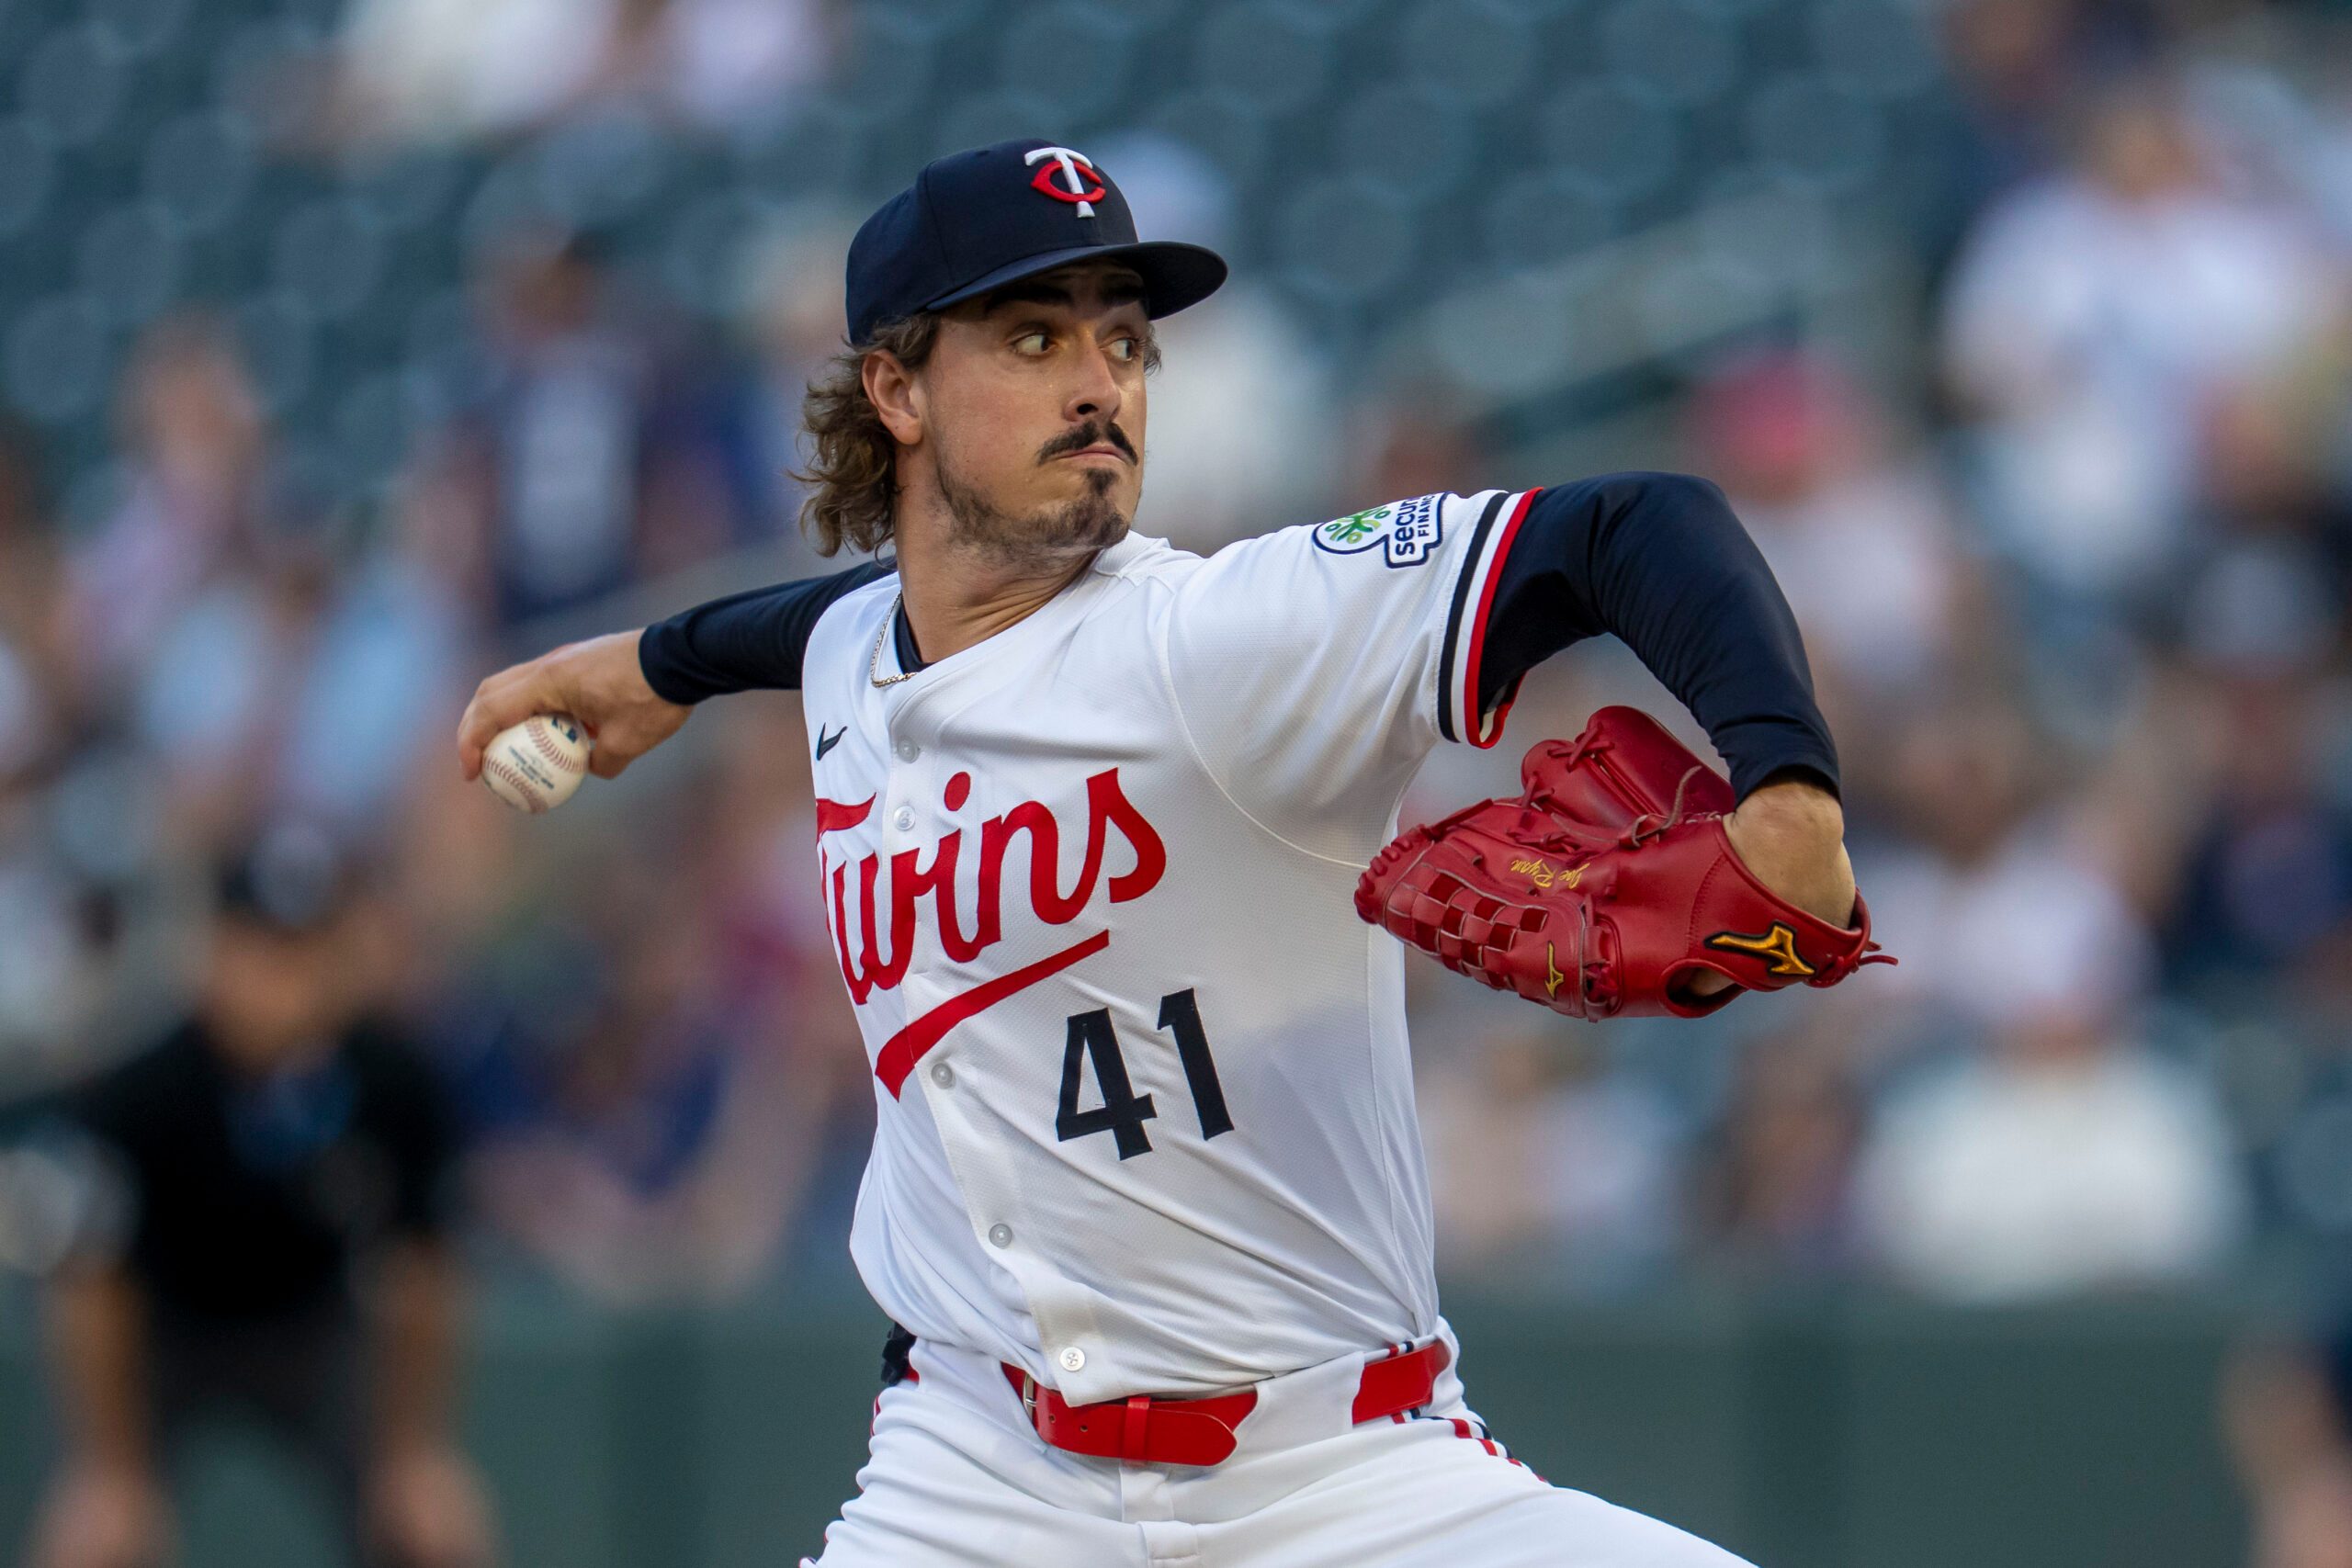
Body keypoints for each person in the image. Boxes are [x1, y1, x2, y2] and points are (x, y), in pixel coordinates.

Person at [458, 139, 1861, 1566]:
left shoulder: (1224, 638)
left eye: (1123, 342)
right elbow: (836, 621)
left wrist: (1787, 781)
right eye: (1031, 336)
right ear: (894, 389)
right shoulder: (847, 658)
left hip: (1338, 1477)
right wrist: (656, 661)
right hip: (972, 1481)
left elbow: (1640, 525)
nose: (1098, 380)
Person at [29, 826, 494, 1568]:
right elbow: (92, 1290)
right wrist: (111, 1469)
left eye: (306, 949)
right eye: (261, 950)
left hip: (315, 1329)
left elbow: (425, 1274)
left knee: (438, 1528)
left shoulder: (394, 1080)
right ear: (213, 951)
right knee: (90, 1540)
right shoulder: (140, 1092)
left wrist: (413, 1451)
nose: (285, 980)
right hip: (166, 1337)